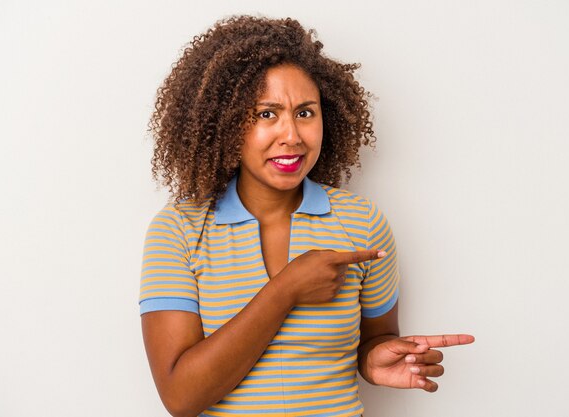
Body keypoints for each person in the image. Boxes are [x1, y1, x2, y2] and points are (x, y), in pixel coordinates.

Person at [139, 15, 474, 417]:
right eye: (266, 114)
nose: (292, 136)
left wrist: (375, 360)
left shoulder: (362, 223)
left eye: (305, 112)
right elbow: (181, 397)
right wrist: (286, 290)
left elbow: (376, 339)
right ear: (226, 123)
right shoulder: (179, 229)